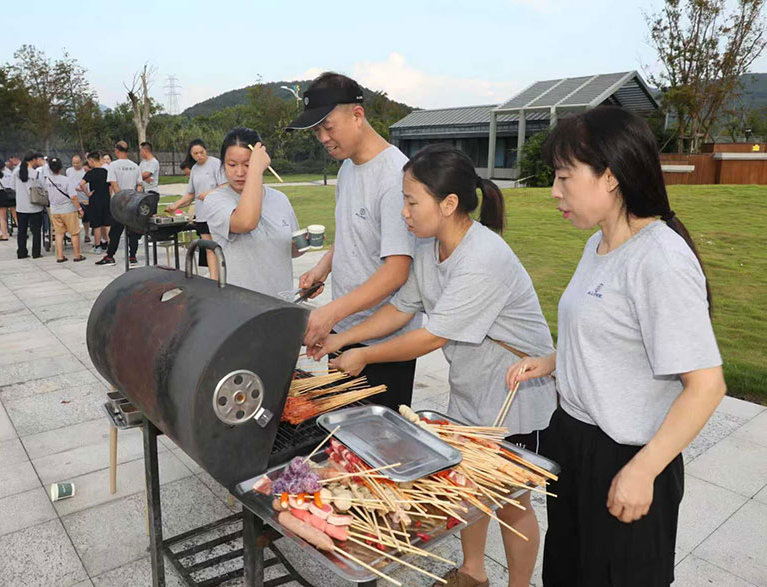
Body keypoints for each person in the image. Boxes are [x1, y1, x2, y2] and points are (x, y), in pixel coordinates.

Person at [317, 145, 556, 587]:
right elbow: (401, 309)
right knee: (467, 483)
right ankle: (472, 573)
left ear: (448, 205)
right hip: (472, 386)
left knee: (510, 499)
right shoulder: (430, 249)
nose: (404, 213)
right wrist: (342, 337)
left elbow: (431, 336)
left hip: (514, 392)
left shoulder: (483, 258)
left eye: (411, 202)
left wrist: (365, 355)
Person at [506, 106, 725, 587]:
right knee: (568, 573)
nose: (554, 192)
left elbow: (706, 386)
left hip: (626, 454)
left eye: (565, 177)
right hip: (575, 440)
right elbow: (610, 337)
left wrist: (643, 470)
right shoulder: (598, 245)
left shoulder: (660, 260)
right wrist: (551, 362)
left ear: (609, 177)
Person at [287, 72, 418, 411]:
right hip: (344, 330)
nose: (323, 138)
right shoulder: (347, 168)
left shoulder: (395, 177)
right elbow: (350, 233)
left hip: (383, 340)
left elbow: (397, 271)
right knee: (343, 436)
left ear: (357, 115)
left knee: (377, 446)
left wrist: (330, 313)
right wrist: (321, 269)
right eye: (317, 130)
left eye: (328, 127)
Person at [202, 128, 303, 296]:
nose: (239, 172)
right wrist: (255, 169)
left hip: (281, 302)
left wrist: (304, 242)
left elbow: (291, 251)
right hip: (241, 307)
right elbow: (246, 222)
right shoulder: (215, 200)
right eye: (232, 165)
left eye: (247, 164)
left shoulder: (280, 199)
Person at [166, 139, 225, 278]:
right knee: (209, 247)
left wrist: (209, 193)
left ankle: (227, 277)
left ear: (206, 150)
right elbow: (191, 194)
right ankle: (213, 278)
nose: (199, 156)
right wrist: (176, 204)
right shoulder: (194, 169)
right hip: (202, 214)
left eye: (201, 152)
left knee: (221, 246)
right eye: (195, 153)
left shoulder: (216, 164)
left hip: (217, 213)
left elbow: (226, 185)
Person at [96, 141, 143, 266]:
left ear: (117, 151)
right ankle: (132, 256)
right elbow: (139, 185)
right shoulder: (135, 166)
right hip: (133, 204)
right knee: (133, 232)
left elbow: (114, 185)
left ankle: (110, 256)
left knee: (115, 232)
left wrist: (122, 199)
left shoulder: (113, 165)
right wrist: (134, 199)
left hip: (119, 205)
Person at [43, 157, 85, 263]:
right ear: (61, 167)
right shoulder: (66, 180)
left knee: (59, 233)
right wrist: (79, 208)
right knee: (74, 233)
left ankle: (60, 256)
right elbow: (73, 197)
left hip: (55, 210)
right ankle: (77, 255)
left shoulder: (47, 180)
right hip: (68, 210)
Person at [14, 151, 46, 259]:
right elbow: (44, 187)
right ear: (33, 160)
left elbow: (12, 187)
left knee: (21, 231)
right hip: (35, 207)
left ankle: (21, 252)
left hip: (21, 206)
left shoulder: (16, 173)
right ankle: (36, 253)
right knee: (36, 231)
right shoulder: (36, 174)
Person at [81, 151, 111, 252]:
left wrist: (87, 193)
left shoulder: (90, 173)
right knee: (107, 223)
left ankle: (97, 246)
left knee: (96, 225)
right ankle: (109, 244)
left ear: (92, 161)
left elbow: (81, 184)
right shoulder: (106, 172)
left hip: (95, 200)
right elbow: (110, 186)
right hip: (106, 199)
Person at [66, 155, 90, 242]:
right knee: (73, 218)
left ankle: (87, 234)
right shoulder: (68, 171)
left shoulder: (85, 171)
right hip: (73, 197)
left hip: (84, 197)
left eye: (77, 163)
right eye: (74, 163)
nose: (76, 165)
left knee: (86, 218)